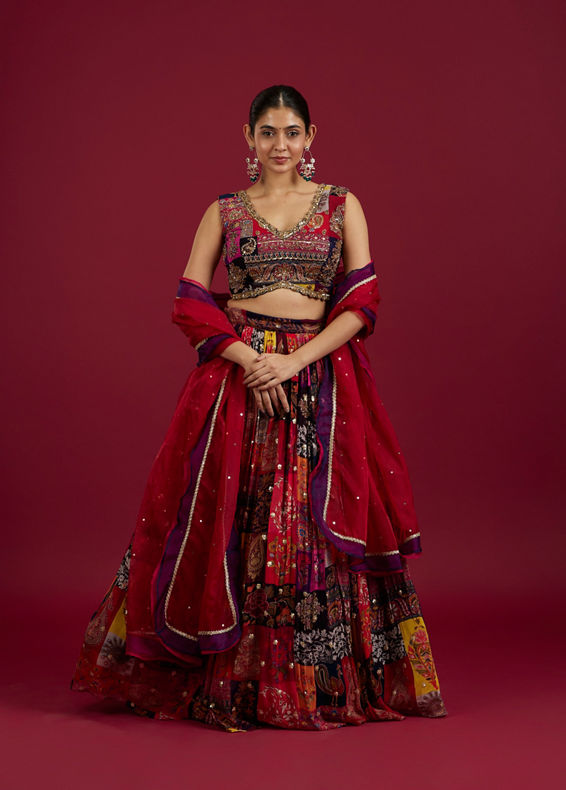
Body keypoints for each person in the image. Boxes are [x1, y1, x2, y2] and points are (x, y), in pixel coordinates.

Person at [70, 84, 447, 732]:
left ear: (311, 137)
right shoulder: (225, 211)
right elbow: (190, 300)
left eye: (291, 132)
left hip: (321, 378)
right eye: (267, 132)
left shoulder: (340, 205)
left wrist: (294, 362)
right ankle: (234, 683)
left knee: (308, 521)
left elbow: (362, 305)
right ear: (248, 140)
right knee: (232, 518)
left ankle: (316, 684)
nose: (280, 145)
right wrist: (251, 361)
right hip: (239, 380)